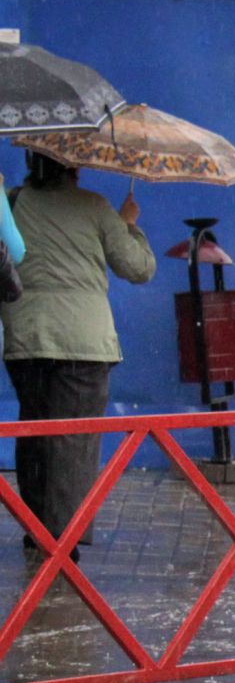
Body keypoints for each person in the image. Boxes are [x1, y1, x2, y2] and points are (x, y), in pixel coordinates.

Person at [1, 154, 154, 552]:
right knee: (74, 438)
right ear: (75, 168)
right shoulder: (96, 207)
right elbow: (138, 268)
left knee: (34, 432)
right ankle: (63, 539)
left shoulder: (13, 201)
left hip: (27, 337)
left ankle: (37, 528)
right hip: (85, 342)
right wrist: (130, 226)